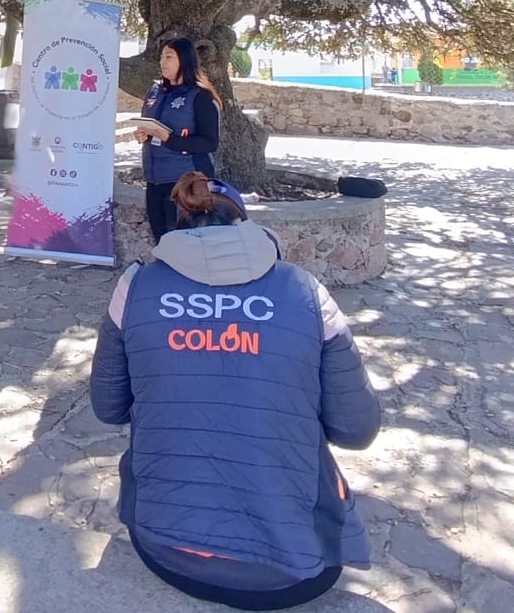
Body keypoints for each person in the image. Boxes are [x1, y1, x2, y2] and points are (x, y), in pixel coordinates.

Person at [90, 172, 381, 611]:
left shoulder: (135, 289)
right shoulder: (306, 293)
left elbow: (108, 407)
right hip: (292, 572)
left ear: (179, 224)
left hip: (165, 549)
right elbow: (357, 430)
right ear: (244, 224)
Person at [134, 37, 222, 242]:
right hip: (154, 180)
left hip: (185, 183)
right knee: (162, 242)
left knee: (186, 243)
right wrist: (143, 134)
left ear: (184, 59)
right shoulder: (155, 91)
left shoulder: (201, 96)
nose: (162, 62)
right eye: (161, 57)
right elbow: (148, 124)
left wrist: (169, 139)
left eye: (169, 57)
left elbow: (210, 142)